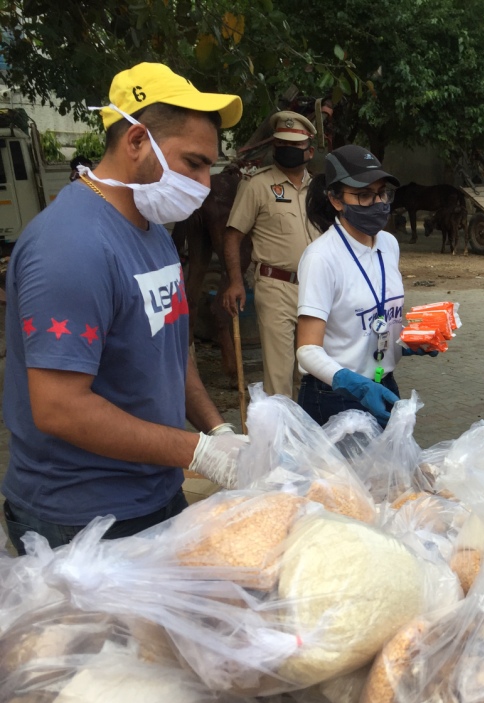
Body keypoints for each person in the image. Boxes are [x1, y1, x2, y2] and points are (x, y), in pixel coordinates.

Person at [2, 62, 246, 554]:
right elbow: (60, 408)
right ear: (137, 141)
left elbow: (169, 348)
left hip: (155, 492)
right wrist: (200, 453)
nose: (204, 183)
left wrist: (216, 429)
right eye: (194, 163)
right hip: (79, 521)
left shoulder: (153, 233)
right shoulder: (70, 246)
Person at [295, 145, 430, 428]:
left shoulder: (389, 245)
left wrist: (407, 341)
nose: (378, 203)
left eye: (382, 193)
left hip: (383, 384)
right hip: (333, 394)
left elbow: (374, 320)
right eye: (364, 195)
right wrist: (349, 381)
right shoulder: (321, 257)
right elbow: (306, 350)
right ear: (336, 200)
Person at [222, 110, 319, 398]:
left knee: (312, 371)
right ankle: (280, 428)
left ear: (310, 151)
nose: (287, 149)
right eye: (282, 144)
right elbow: (233, 236)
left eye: (294, 145)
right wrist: (236, 281)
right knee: (279, 378)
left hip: (316, 289)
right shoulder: (257, 185)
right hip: (276, 286)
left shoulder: (319, 190)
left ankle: (307, 427)